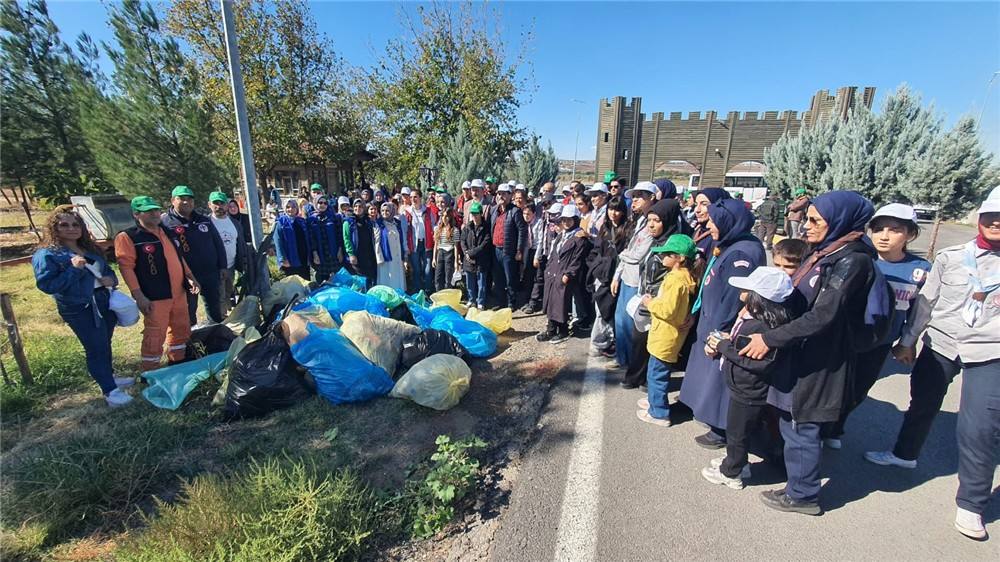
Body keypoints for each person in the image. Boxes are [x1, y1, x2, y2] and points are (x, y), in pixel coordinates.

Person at [864, 190, 999, 539]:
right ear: (980, 217)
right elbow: (926, 303)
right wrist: (908, 341)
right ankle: (904, 455)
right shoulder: (952, 258)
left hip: (990, 351)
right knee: (922, 405)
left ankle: (971, 503)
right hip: (942, 342)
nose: (995, 222)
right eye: (990, 215)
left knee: (979, 427)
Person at [740, 191, 878, 516]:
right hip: (802, 350)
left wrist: (771, 338)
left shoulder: (852, 260)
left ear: (840, 221)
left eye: (815, 220)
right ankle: (796, 478)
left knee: (802, 422)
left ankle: (803, 495)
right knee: (792, 420)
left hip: (820, 357)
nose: (805, 226)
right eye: (806, 218)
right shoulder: (827, 252)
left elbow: (822, 316)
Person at [827, 204, 930, 447]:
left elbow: (919, 311)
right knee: (833, 386)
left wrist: (907, 342)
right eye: (879, 229)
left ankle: (835, 428)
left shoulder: (920, 270)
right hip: (843, 338)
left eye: (894, 230)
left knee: (858, 388)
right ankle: (821, 428)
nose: (884, 236)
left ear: (910, 234)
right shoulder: (858, 258)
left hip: (879, 342)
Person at [700, 267, 801, 489]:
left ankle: (732, 472)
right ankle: (736, 461)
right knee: (739, 430)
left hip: (749, 390)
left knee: (737, 433)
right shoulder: (757, 319)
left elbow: (751, 360)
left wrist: (723, 345)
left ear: (759, 298)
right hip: (745, 387)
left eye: (748, 288)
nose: (742, 290)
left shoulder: (760, 327)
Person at [679, 198, 766, 449]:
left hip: (721, 325)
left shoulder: (741, 254)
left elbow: (733, 300)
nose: (711, 227)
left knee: (718, 379)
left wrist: (719, 333)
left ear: (729, 222)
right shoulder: (732, 243)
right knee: (707, 375)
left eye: (715, 222)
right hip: (710, 319)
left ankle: (720, 429)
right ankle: (711, 419)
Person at [34, 206, 133, 407]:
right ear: (55, 228)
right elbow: (48, 285)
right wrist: (73, 269)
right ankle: (110, 391)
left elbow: (107, 272)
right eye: (64, 225)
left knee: (105, 342)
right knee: (95, 347)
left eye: (75, 224)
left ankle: (110, 377)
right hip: (80, 307)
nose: (71, 229)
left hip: (104, 301)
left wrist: (110, 279)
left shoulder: (90, 249)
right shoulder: (47, 255)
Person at [115, 196, 199, 372]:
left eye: (156, 210)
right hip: (155, 295)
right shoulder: (129, 237)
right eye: (149, 211)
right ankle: (150, 370)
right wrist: (138, 295)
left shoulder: (166, 231)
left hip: (178, 292)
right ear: (136, 214)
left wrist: (189, 275)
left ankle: (177, 362)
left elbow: (178, 257)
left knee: (181, 328)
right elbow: (126, 268)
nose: (154, 214)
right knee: (155, 334)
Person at [621, 199, 686, 389]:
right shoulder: (656, 241)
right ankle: (637, 377)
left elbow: (671, 279)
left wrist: (653, 301)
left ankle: (647, 383)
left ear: (667, 220)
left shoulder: (673, 247)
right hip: (647, 302)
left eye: (656, 220)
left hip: (658, 305)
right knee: (640, 341)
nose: (651, 224)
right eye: (649, 220)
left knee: (652, 345)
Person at [635, 234, 698, 426]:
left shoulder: (675, 281)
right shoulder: (685, 277)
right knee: (658, 373)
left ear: (679, 258)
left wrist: (649, 302)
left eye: (667, 254)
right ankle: (655, 402)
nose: (662, 257)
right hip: (672, 335)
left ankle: (659, 413)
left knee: (656, 374)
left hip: (665, 336)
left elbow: (667, 310)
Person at [160, 185, 227, 325]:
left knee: (214, 308)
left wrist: (223, 266)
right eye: (182, 199)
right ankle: (191, 339)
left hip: (210, 273)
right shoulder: (165, 223)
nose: (186, 202)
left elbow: (217, 243)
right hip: (184, 277)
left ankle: (216, 335)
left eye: (189, 199)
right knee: (188, 311)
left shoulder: (203, 220)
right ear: (173, 200)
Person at [610, 182, 659, 370]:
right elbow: (630, 250)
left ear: (651, 198)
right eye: (634, 196)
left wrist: (621, 255)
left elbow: (638, 254)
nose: (635, 200)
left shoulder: (651, 223)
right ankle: (621, 358)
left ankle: (631, 363)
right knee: (620, 319)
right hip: (626, 277)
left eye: (640, 196)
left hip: (637, 281)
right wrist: (616, 275)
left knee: (632, 323)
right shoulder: (638, 220)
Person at [537, 205, 592, 344]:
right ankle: (550, 329)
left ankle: (563, 330)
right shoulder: (561, 235)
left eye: (569, 220)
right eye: (564, 220)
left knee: (561, 304)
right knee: (550, 302)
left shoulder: (579, 238)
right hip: (553, 272)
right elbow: (554, 253)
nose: (566, 223)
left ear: (575, 220)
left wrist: (569, 273)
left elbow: (577, 259)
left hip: (564, 274)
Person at [587, 195, 633, 358]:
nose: (614, 213)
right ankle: (599, 343)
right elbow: (596, 250)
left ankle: (605, 341)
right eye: (611, 209)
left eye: (618, 210)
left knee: (611, 310)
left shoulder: (628, 229)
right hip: (601, 275)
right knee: (601, 309)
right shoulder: (604, 228)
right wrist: (594, 267)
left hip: (618, 275)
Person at [208, 191, 246, 316]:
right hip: (215, 268)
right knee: (219, 296)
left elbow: (240, 243)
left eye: (222, 203)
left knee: (229, 292)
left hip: (231, 265)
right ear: (210, 205)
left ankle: (230, 316)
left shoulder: (234, 223)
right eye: (216, 203)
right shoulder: (207, 224)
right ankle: (221, 321)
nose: (219, 206)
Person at [491, 183, 528, 309]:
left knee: (510, 278)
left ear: (510, 195)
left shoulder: (515, 211)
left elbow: (522, 231)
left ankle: (511, 302)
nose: (501, 196)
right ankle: (501, 302)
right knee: (498, 278)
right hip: (496, 250)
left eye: (504, 194)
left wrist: (519, 250)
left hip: (509, 251)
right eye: (499, 193)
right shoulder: (494, 210)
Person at [460, 201, 492, 309]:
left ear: (481, 214)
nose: (474, 216)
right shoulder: (467, 227)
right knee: (470, 283)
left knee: (481, 283)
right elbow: (462, 241)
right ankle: (471, 300)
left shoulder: (486, 227)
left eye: (476, 213)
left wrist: (471, 253)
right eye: (472, 213)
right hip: (469, 260)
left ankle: (480, 302)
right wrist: (466, 253)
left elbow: (485, 244)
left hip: (481, 260)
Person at [307, 194, 344, 284]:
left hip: (333, 253)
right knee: (321, 280)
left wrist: (340, 250)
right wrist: (315, 254)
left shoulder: (335, 217)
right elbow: (311, 239)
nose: (322, 205)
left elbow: (339, 235)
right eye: (320, 202)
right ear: (315, 203)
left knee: (337, 280)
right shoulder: (311, 219)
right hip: (320, 253)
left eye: (325, 203)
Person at [374, 202, 409, 291]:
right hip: (386, 258)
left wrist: (405, 254)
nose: (385, 212)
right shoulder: (378, 224)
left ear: (392, 211)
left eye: (387, 210)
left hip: (397, 256)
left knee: (398, 278)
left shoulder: (397, 223)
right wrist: (379, 258)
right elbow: (377, 241)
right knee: (387, 279)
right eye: (382, 211)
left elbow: (403, 238)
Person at [343, 199, 378, 288]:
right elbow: (346, 239)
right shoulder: (348, 222)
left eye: (360, 206)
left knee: (370, 278)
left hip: (369, 254)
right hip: (357, 255)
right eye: (355, 206)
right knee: (360, 280)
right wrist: (351, 254)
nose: (357, 208)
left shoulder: (368, 221)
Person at [273, 199, 311, 279]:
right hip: (289, 261)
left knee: (305, 283)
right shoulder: (280, 223)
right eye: (288, 207)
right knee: (293, 285)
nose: (290, 209)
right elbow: (278, 241)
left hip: (303, 258)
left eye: (293, 207)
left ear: (297, 208)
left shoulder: (302, 221)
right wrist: (282, 259)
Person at [692, 188, 732, 257]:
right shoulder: (698, 229)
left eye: (704, 204)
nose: (697, 210)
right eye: (696, 204)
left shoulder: (719, 236)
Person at [519, 202, 542, 309]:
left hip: (536, 250)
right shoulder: (523, 223)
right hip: (526, 250)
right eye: (524, 213)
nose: (526, 216)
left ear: (533, 213)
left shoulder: (539, 222)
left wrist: (537, 256)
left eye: (528, 214)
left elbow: (541, 241)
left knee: (536, 277)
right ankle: (526, 300)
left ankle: (533, 301)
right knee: (526, 276)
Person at [432, 208, 460, 292]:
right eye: (443, 216)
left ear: (450, 217)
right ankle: (438, 295)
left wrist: (456, 262)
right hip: (440, 252)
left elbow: (456, 246)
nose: (445, 218)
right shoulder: (438, 229)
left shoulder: (454, 230)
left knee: (448, 279)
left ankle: (448, 297)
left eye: (447, 216)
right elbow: (436, 244)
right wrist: (434, 258)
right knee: (438, 277)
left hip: (449, 253)